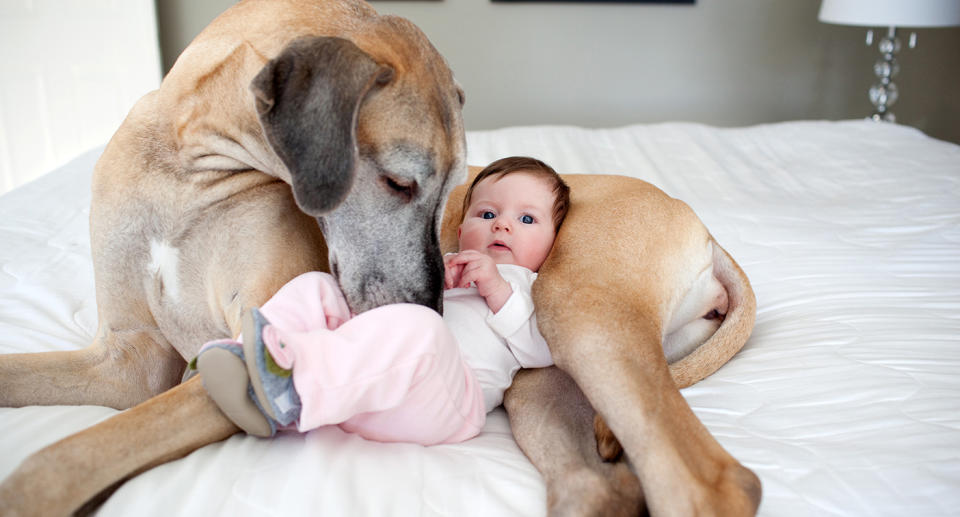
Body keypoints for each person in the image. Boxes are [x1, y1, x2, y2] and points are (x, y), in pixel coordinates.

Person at [193, 156, 570, 444]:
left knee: (424, 329)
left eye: (526, 220)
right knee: (319, 286)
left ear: (554, 242)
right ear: (460, 230)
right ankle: (244, 358)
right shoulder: (441, 263)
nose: (502, 224)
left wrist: (498, 291)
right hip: (370, 391)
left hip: (449, 403)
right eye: (487, 213)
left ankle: (291, 385)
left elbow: (542, 350)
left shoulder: (530, 285)